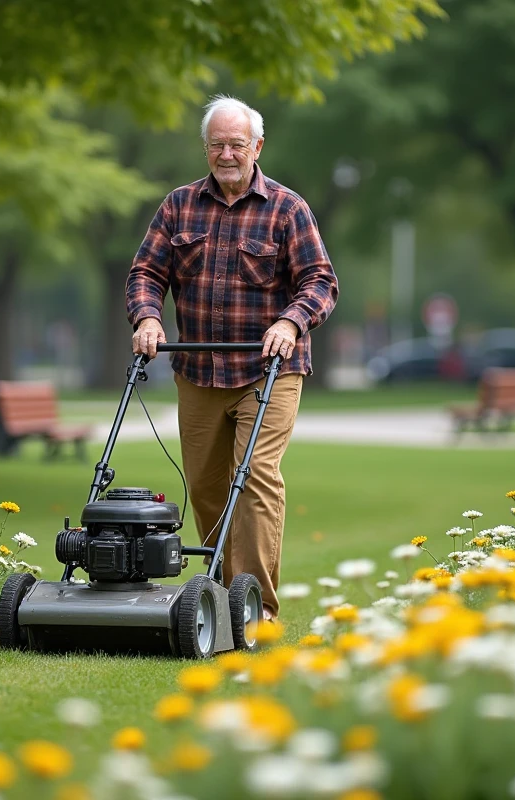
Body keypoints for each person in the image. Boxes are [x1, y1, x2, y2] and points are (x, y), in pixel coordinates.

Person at [126, 95, 339, 621]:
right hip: (198, 371)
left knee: (257, 477)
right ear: (205, 149)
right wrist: (148, 317)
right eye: (217, 144)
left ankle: (259, 607)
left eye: (236, 144)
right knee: (206, 487)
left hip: (268, 371)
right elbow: (146, 274)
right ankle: (224, 597)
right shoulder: (178, 206)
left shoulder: (288, 209)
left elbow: (321, 281)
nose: (227, 153)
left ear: (257, 147)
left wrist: (291, 322)